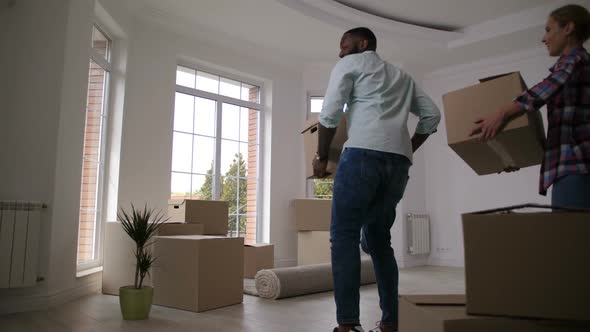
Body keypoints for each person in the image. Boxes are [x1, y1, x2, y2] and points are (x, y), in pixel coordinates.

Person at [313, 27, 441, 332]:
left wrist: (320, 156)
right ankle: (391, 322)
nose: (340, 52)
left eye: (344, 45)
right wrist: (408, 146)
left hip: (361, 156)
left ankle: (348, 325)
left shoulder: (350, 65)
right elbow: (432, 116)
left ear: (363, 43)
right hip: (398, 164)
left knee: (343, 236)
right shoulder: (402, 76)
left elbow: (329, 114)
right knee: (379, 241)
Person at [470, 4, 590, 209]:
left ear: (568, 28)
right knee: (573, 237)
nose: (544, 38)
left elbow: (544, 90)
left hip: (575, 169)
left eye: (549, 29)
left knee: (571, 238)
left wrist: (501, 113)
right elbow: (565, 133)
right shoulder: (574, 65)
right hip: (571, 169)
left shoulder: (575, 60)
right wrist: (514, 155)